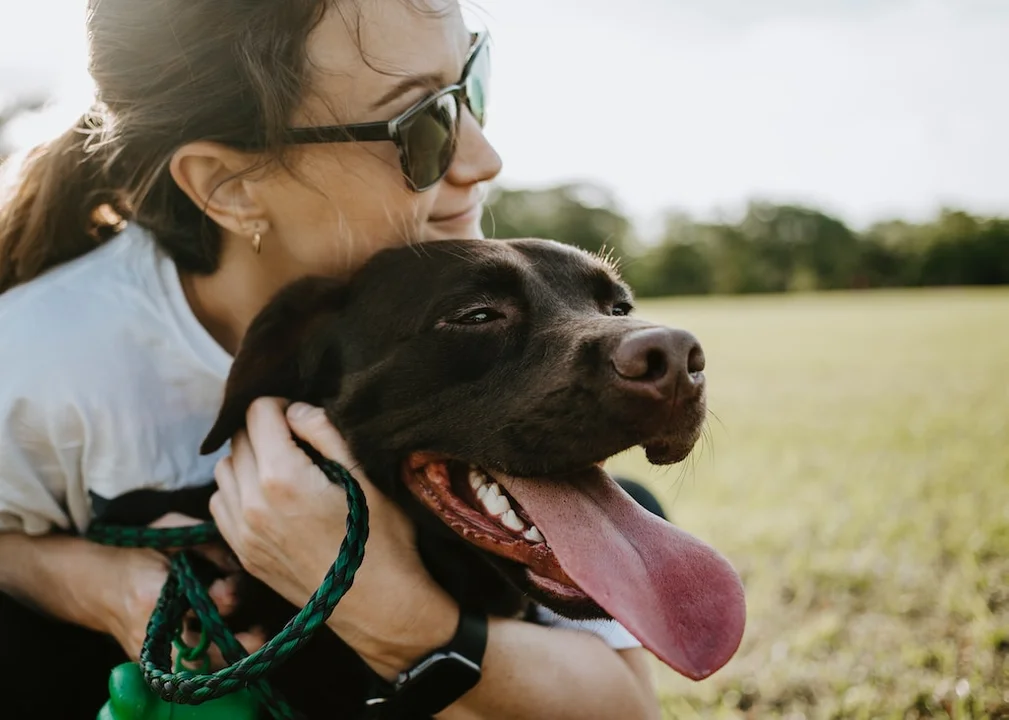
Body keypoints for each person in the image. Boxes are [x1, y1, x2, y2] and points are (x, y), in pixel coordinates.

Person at [0, 1, 667, 717]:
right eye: (421, 125)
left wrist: (386, 604)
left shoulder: (461, 272)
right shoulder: (38, 358)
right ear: (230, 186)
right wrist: (103, 586)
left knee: (630, 503)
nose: (483, 158)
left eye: (470, 83)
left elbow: (623, 708)